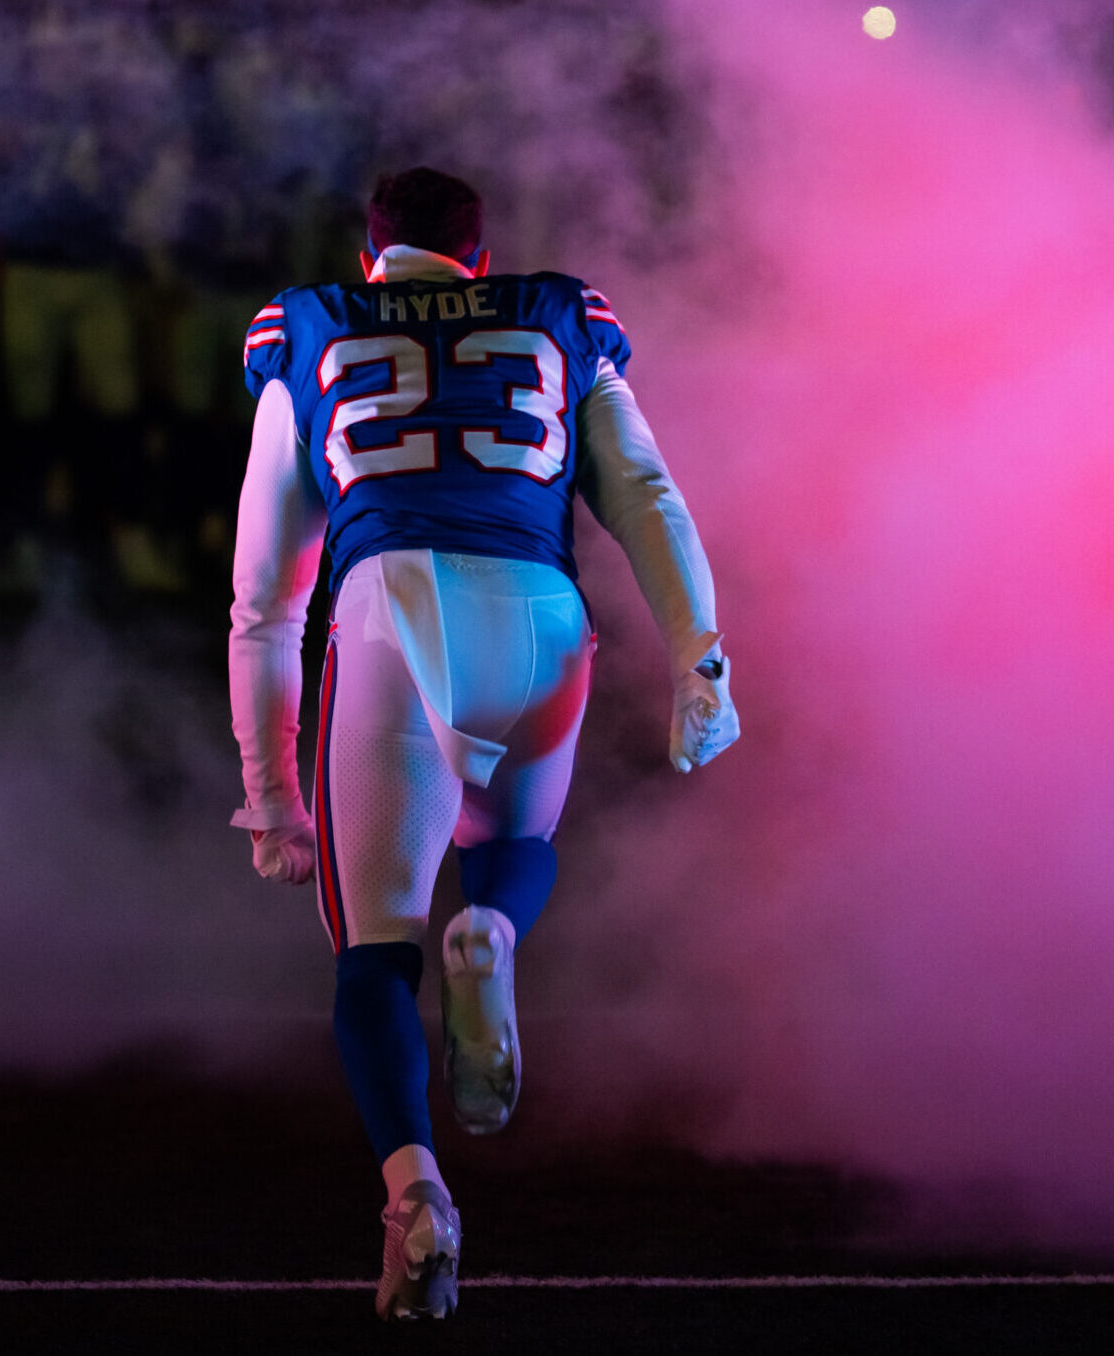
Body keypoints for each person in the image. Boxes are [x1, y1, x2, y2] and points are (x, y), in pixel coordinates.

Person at [226, 167, 737, 1320]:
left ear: (372, 250)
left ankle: (417, 1201)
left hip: (385, 606)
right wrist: (698, 649)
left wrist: (269, 789)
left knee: (373, 954)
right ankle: (495, 927)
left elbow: (264, 593)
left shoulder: (310, 326)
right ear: (477, 250)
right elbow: (644, 489)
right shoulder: (557, 311)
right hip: (537, 609)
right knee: (516, 837)